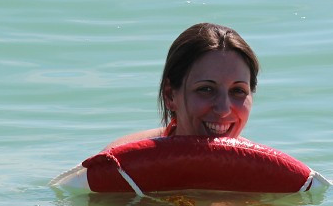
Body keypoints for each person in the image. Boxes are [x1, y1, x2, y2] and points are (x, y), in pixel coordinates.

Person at [105, 23, 260, 149]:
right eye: (206, 89)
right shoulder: (121, 164)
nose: (224, 109)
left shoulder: (267, 172)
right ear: (170, 95)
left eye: (238, 91)